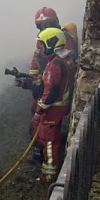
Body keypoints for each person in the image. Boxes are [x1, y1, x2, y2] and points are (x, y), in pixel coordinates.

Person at [31, 27, 73, 177]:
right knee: (51, 138)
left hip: (52, 109)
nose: (41, 49)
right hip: (60, 107)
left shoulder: (54, 65)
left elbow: (50, 93)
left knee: (48, 139)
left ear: (50, 43)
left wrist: (39, 110)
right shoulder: (64, 60)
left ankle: (49, 174)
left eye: (43, 45)